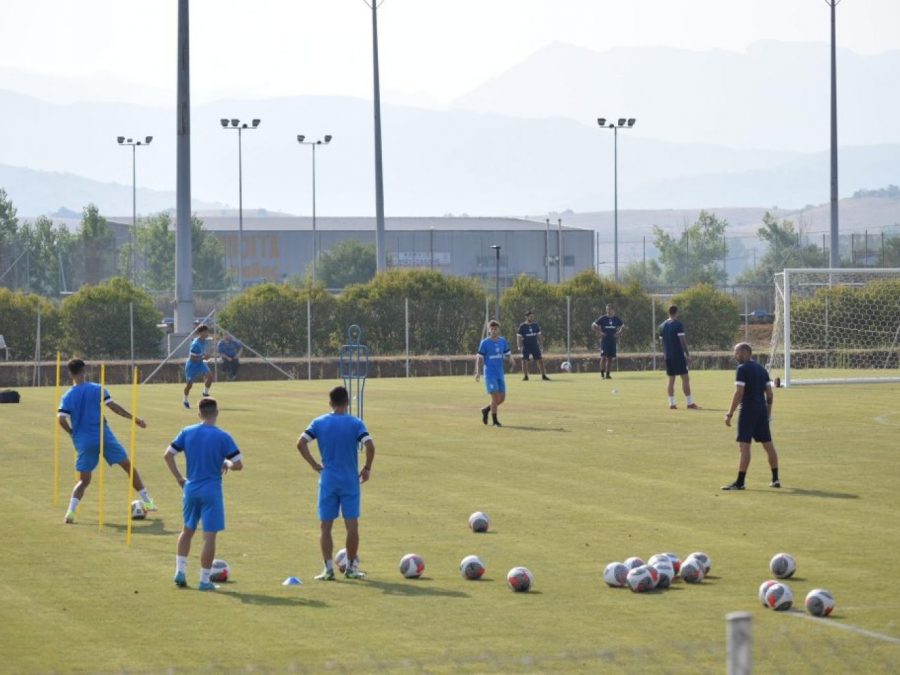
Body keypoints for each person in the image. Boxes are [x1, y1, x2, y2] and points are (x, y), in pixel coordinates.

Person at [57, 358, 156, 524]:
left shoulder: (67, 396)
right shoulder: (97, 388)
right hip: (103, 435)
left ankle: (70, 513)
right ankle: (148, 501)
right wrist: (135, 419)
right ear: (84, 371)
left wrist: (72, 433)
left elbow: (61, 419)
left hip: (83, 441)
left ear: (70, 373)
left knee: (83, 481)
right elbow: (113, 406)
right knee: (127, 466)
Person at [164, 397, 243, 590]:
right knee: (209, 537)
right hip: (211, 490)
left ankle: (180, 572)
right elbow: (238, 464)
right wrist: (227, 463)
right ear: (216, 413)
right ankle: (204, 581)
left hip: (190, 488)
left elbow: (168, 455)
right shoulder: (223, 436)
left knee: (187, 531)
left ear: (199, 413)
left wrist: (180, 478)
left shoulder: (187, 432)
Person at [298, 385, 375, 581]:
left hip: (328, 479)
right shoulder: (355, 422)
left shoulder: (319, 422)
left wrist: (314, 464)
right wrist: (367, 468)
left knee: (325, 527)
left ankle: (328, 569)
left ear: (330, 403)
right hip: (350, 480)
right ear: (347, 402)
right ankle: (350, 568)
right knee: (352, 526)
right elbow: (370, 445)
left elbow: (301, 443)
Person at [721, 343, 780, 491]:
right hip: (761, 411)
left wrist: (729, 413)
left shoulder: (742, 369)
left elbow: (739, 392)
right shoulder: (762, 369)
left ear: (746, 353)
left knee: (744, 446)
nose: (736, 355)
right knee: (768, 445)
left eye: (738, 352)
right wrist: (768, 414)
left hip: (747, 411)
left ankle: (740, 483)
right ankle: (775, 478)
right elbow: (770, 394)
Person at [659, 305, 699, 409]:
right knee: (685, 378)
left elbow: (661, 342)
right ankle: (690, 403)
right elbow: (682, 341)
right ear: (676, 312)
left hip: (667, 356)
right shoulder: (678, 324)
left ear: (668, 312)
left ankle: (671, 403)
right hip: (678, 356)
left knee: (671, 379)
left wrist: (665, 353)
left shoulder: (662, 326)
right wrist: (687, 354)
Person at [476, 319, 513, 427]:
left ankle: (486, 409)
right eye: (492, 329)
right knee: (495, 398)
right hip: (490, 374)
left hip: (500, 373)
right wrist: (478, 372)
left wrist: (511, 359)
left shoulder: (502, 341)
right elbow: (479, 358)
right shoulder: (485, 343)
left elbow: (507, 352)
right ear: (489, 330)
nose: (494, 331)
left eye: (495, 329)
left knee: (502, 399)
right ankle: (495, 421)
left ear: (499, 330)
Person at [183, 324, 214, 409]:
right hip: (191, 365)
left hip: (200, 363)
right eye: (205, 331)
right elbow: (192, 358)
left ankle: (205, 393)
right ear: (200, 333)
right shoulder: (195, 344)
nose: (207, 333)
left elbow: (201, 353)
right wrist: (204, 357)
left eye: (207, 331)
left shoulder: (205, 341)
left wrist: (205, 356)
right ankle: (185, 400)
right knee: (189, 385)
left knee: (210, 377)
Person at [592, 303, 625, 379]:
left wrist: (618, 333)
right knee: (603, 357)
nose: (608, 310)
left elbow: (623, 326)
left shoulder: (616, 319)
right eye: (607, 309)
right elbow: (593, 325)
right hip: (605, 341)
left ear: (613, 310)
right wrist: (600, 333)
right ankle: (602, 374)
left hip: (612, 341)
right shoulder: (603, 318)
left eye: (610, 309)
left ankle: (608, 374)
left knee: (610, 358)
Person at [517, 310, 550, 381]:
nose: (532, 318)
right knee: (524, 361)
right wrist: (519, 346)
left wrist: (541, 345)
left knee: (540, 360)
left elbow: (539, 335)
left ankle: (543, 376)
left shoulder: (535, 325)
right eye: (530, 316)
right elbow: (519, 337)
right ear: (526, 317)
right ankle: (526, 376)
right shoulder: (522, 326)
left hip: (535, 346)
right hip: (526, 346)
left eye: (533, 316)